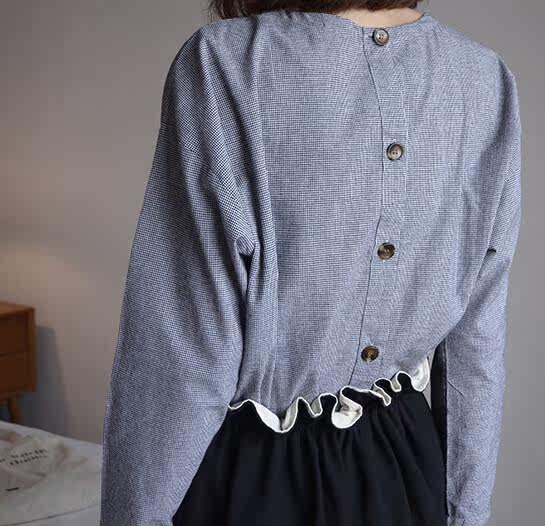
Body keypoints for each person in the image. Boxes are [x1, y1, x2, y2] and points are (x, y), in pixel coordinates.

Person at [99, 1, 523, 525]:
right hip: (406, 468)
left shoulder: (230, 61)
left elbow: (184, 344)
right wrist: (465, 512)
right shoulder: (484, 78)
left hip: (255, 475)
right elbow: (477, 346)